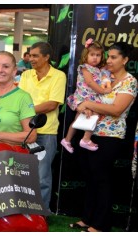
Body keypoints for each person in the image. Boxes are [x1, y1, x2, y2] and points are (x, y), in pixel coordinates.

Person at [70, 42, 137, 232]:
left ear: (125, 60)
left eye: (114, 57)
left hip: (110, 135)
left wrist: (87, 103)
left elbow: (117, 109)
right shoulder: (104, 75)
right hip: (89, 132)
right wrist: (82, 103)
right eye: (108, 56)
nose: (108, 60)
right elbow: (83, 93)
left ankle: (101, 224)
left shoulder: (129, 81)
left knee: (101, 178)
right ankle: (87, 219)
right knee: (89, 177)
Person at [18, 42, 66, 211]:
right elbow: (20, 100)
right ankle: (23, 210)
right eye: (30, 55)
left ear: (47, 57)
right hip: (24, 133)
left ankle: (41, 214)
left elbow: (51, 105)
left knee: (42, 177)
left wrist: (26, 109)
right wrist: (24, 109)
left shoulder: (59, 76)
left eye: (35, 55)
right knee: (23, 174)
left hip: (46, 134)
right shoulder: (26, 75)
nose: (31, 59)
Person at [61, 39, 111, 153]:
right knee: (96, 115)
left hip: (89, 98)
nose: (95, 58)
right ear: (86, 55)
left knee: (78, 120)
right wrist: (103, 91)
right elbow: (90, 82)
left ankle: (67, 139)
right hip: (84, 98)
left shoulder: (98, 69)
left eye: (98, 55)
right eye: (92, 54)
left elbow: (105, 69)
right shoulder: (85, 68)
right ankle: (86, 138)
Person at [0, 51, 36, 145]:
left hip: (10, 156)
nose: (0, 70)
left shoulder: (23, 97)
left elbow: (31, 136)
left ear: (14, 71)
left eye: (6, 66)